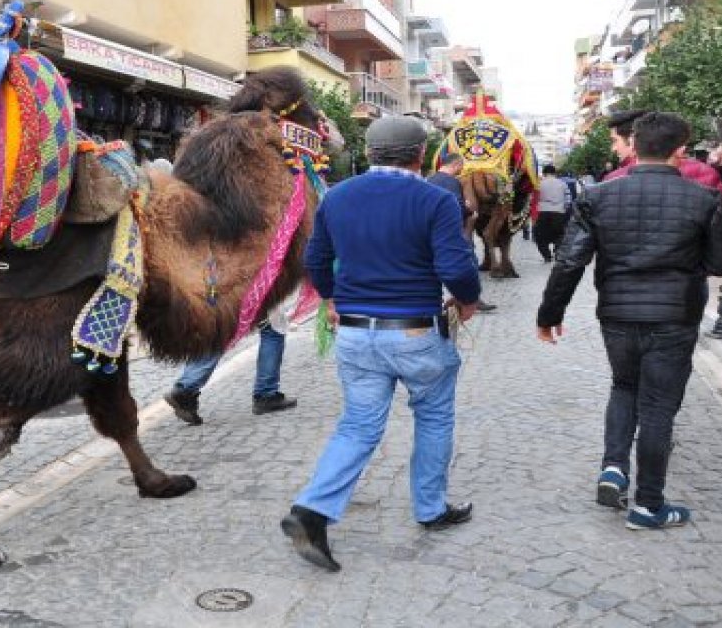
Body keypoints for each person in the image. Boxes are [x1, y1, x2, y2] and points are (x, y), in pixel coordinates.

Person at [281, 116, 481, 572]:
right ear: (419, 155)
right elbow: (456, 266)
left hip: (355, 332)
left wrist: (331, 299)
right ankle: (430, 508)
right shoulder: (435, 199)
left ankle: (311, 510)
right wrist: (468, 300)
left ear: (370, 153)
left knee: (357, 427)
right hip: (415, 332)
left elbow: (316, 258)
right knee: (433, 417)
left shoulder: (338, 197)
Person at [537, 112, 722, 530]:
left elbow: (570, 260)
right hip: (674, 316)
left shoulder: (598, 196)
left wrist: (550, 314)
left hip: (617, 313)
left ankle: (613, 468)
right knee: (659, 407)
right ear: (680, 150)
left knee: (624, 386)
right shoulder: (705, 199)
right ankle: (649, 505)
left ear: (635, 143)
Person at [606, 110, 722, 235]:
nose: (613, 148)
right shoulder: (703, 172)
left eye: (614, 141)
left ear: (632, 140)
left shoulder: (613, 181)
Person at [164, 304, 296, 425]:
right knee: (272, 329)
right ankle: (266, 394)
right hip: (247, 282)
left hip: (216, 285)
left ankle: (186, 387)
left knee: (219, 330)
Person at [426, 154, 496, 312]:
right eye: (461, 166)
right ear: (456, 164)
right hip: (453, 232)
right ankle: (471, 300)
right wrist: (470, 210)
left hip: (431, 233)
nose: (462, 169)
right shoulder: (452, 182)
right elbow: (456, 207)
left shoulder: (430, 180)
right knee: (468, 260)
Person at [532, 165, 570, 263]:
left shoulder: (539, 184)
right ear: (555, 173)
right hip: (559, 212)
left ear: (544, 173)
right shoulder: (563, 183)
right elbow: (568, 200)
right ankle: (557, 252)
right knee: (560, 235)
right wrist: (564, 210)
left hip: (543, 212)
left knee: (540, 236)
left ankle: (547, 256)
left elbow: (533, 199)